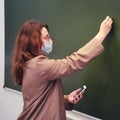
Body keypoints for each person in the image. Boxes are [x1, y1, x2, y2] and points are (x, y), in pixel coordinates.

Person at [12, 16, 113, 120]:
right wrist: (101, 34)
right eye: (46, 37)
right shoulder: (39, 65)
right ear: (34, 41)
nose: (50, 40)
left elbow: (40, 101)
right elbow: (72, 62)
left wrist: (67, 99)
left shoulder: (28, 64)